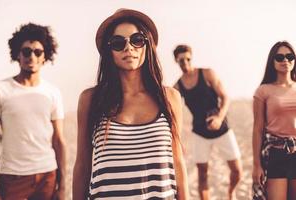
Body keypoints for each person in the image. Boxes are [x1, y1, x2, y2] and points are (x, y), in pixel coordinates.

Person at [72, 8, 189, 200]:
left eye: (137, 40)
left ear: (147, 44)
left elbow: (178, 162)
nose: (129, 48)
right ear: (109, 51)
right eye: (118, 43)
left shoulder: (170, 98)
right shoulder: (91, 99)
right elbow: (82, 166)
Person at [0, 23, 66, 200]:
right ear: (17, 55)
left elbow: (59, 140)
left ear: (45, 56)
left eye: (37, 52)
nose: (31, 56)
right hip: (12, 177)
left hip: (47, 175)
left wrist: (63, 186)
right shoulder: (0, 90)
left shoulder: (53, 92)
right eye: (26, 51)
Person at [173, 45, 242, 200]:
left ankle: (231, 192)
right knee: (202, 174)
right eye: (181, 60)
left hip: (222, 128)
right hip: (199, 133)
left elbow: (225, 97)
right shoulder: (178, 87)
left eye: (188, 59)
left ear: (192, 58)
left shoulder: (207, 73)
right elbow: (172, 112)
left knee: (237, 170)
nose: (185, 63)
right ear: (176, 61)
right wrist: (178, 139)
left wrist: (219, 118)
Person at [252, 41, 296, 200]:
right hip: (275, 153)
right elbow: (257, 129)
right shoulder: (263, 90)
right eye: (280, 57)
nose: (285, 60)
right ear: (272, 61)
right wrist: (257, 165)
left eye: (290, 56)